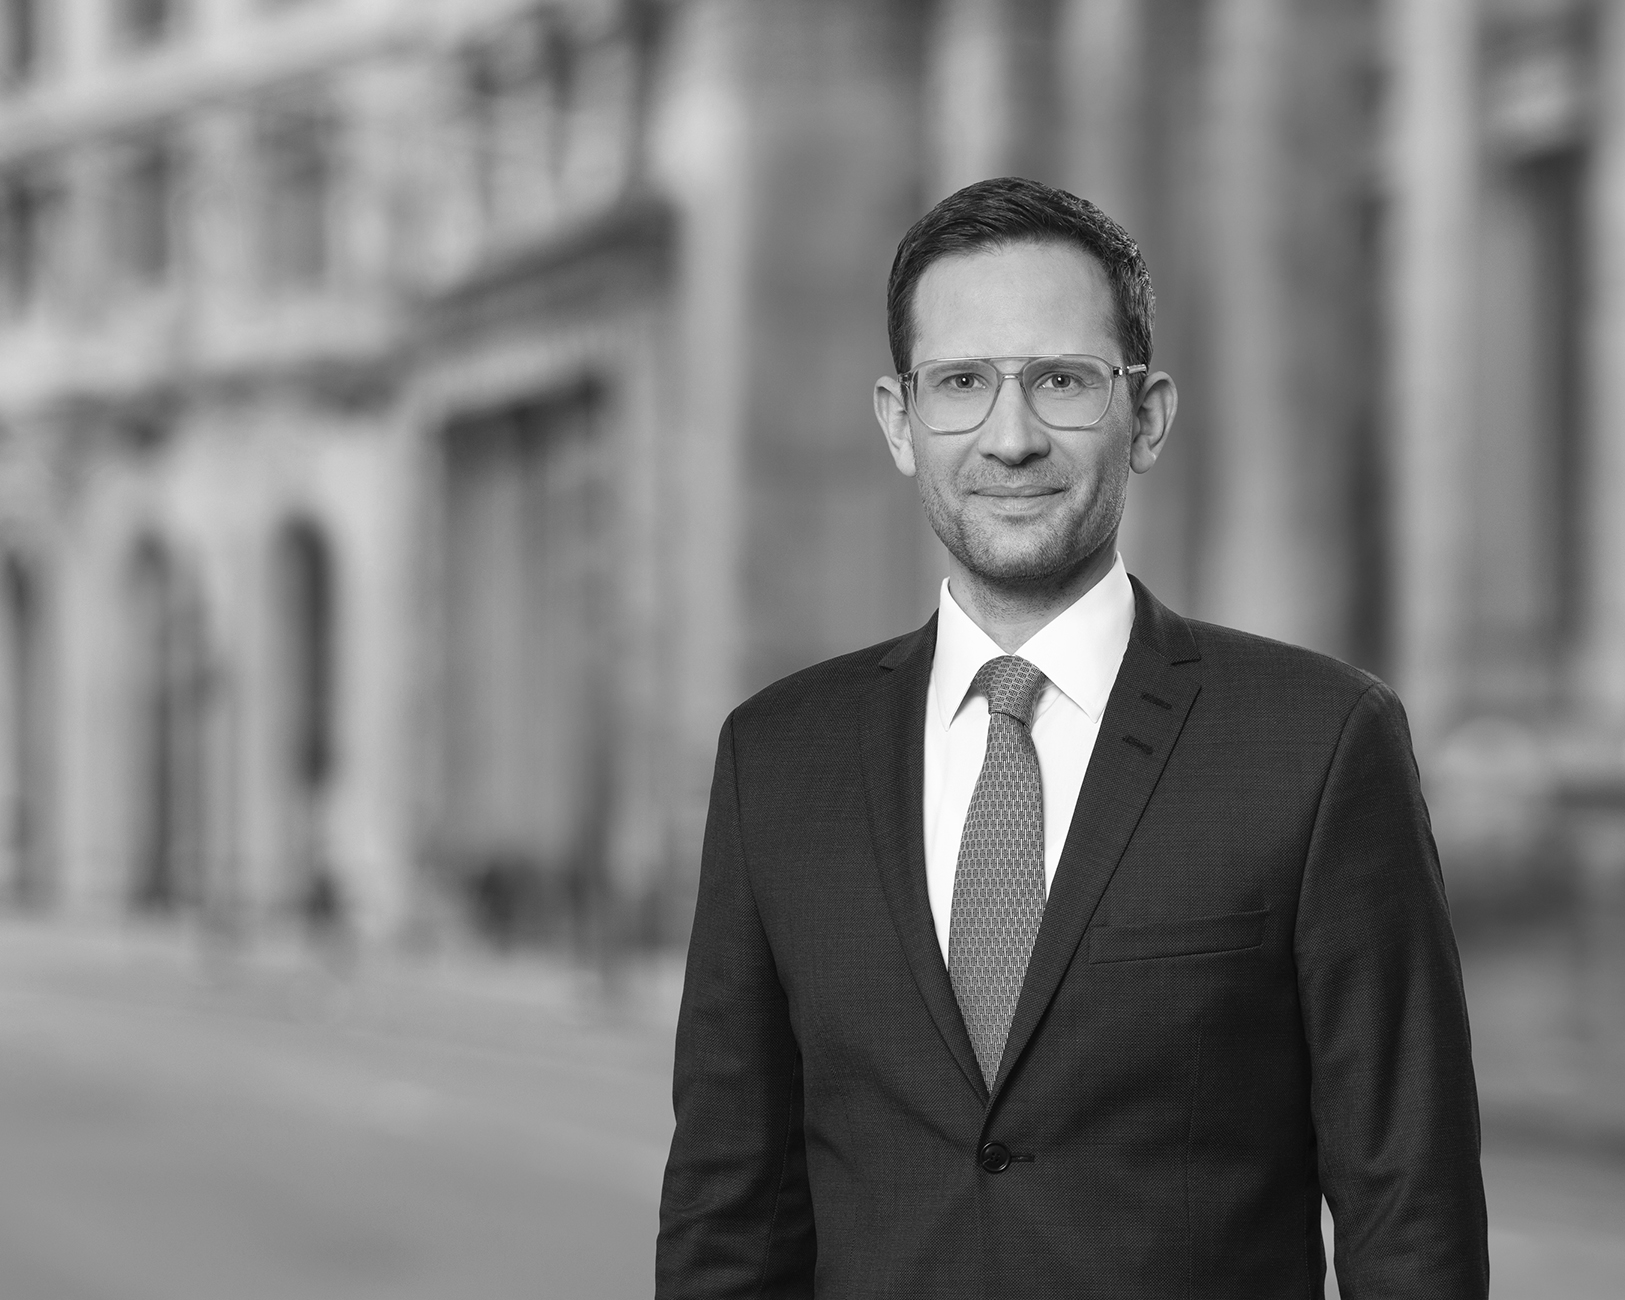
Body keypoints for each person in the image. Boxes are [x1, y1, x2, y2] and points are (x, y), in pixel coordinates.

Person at [656, 176, 1488, 1299]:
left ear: (1145, 416)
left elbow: (1409, 1213)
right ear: (899, 422)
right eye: (960, 383)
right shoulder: (776, 760)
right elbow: (727, 1216)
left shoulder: (1318, 743)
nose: (1009, 439)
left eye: (1060, 380)